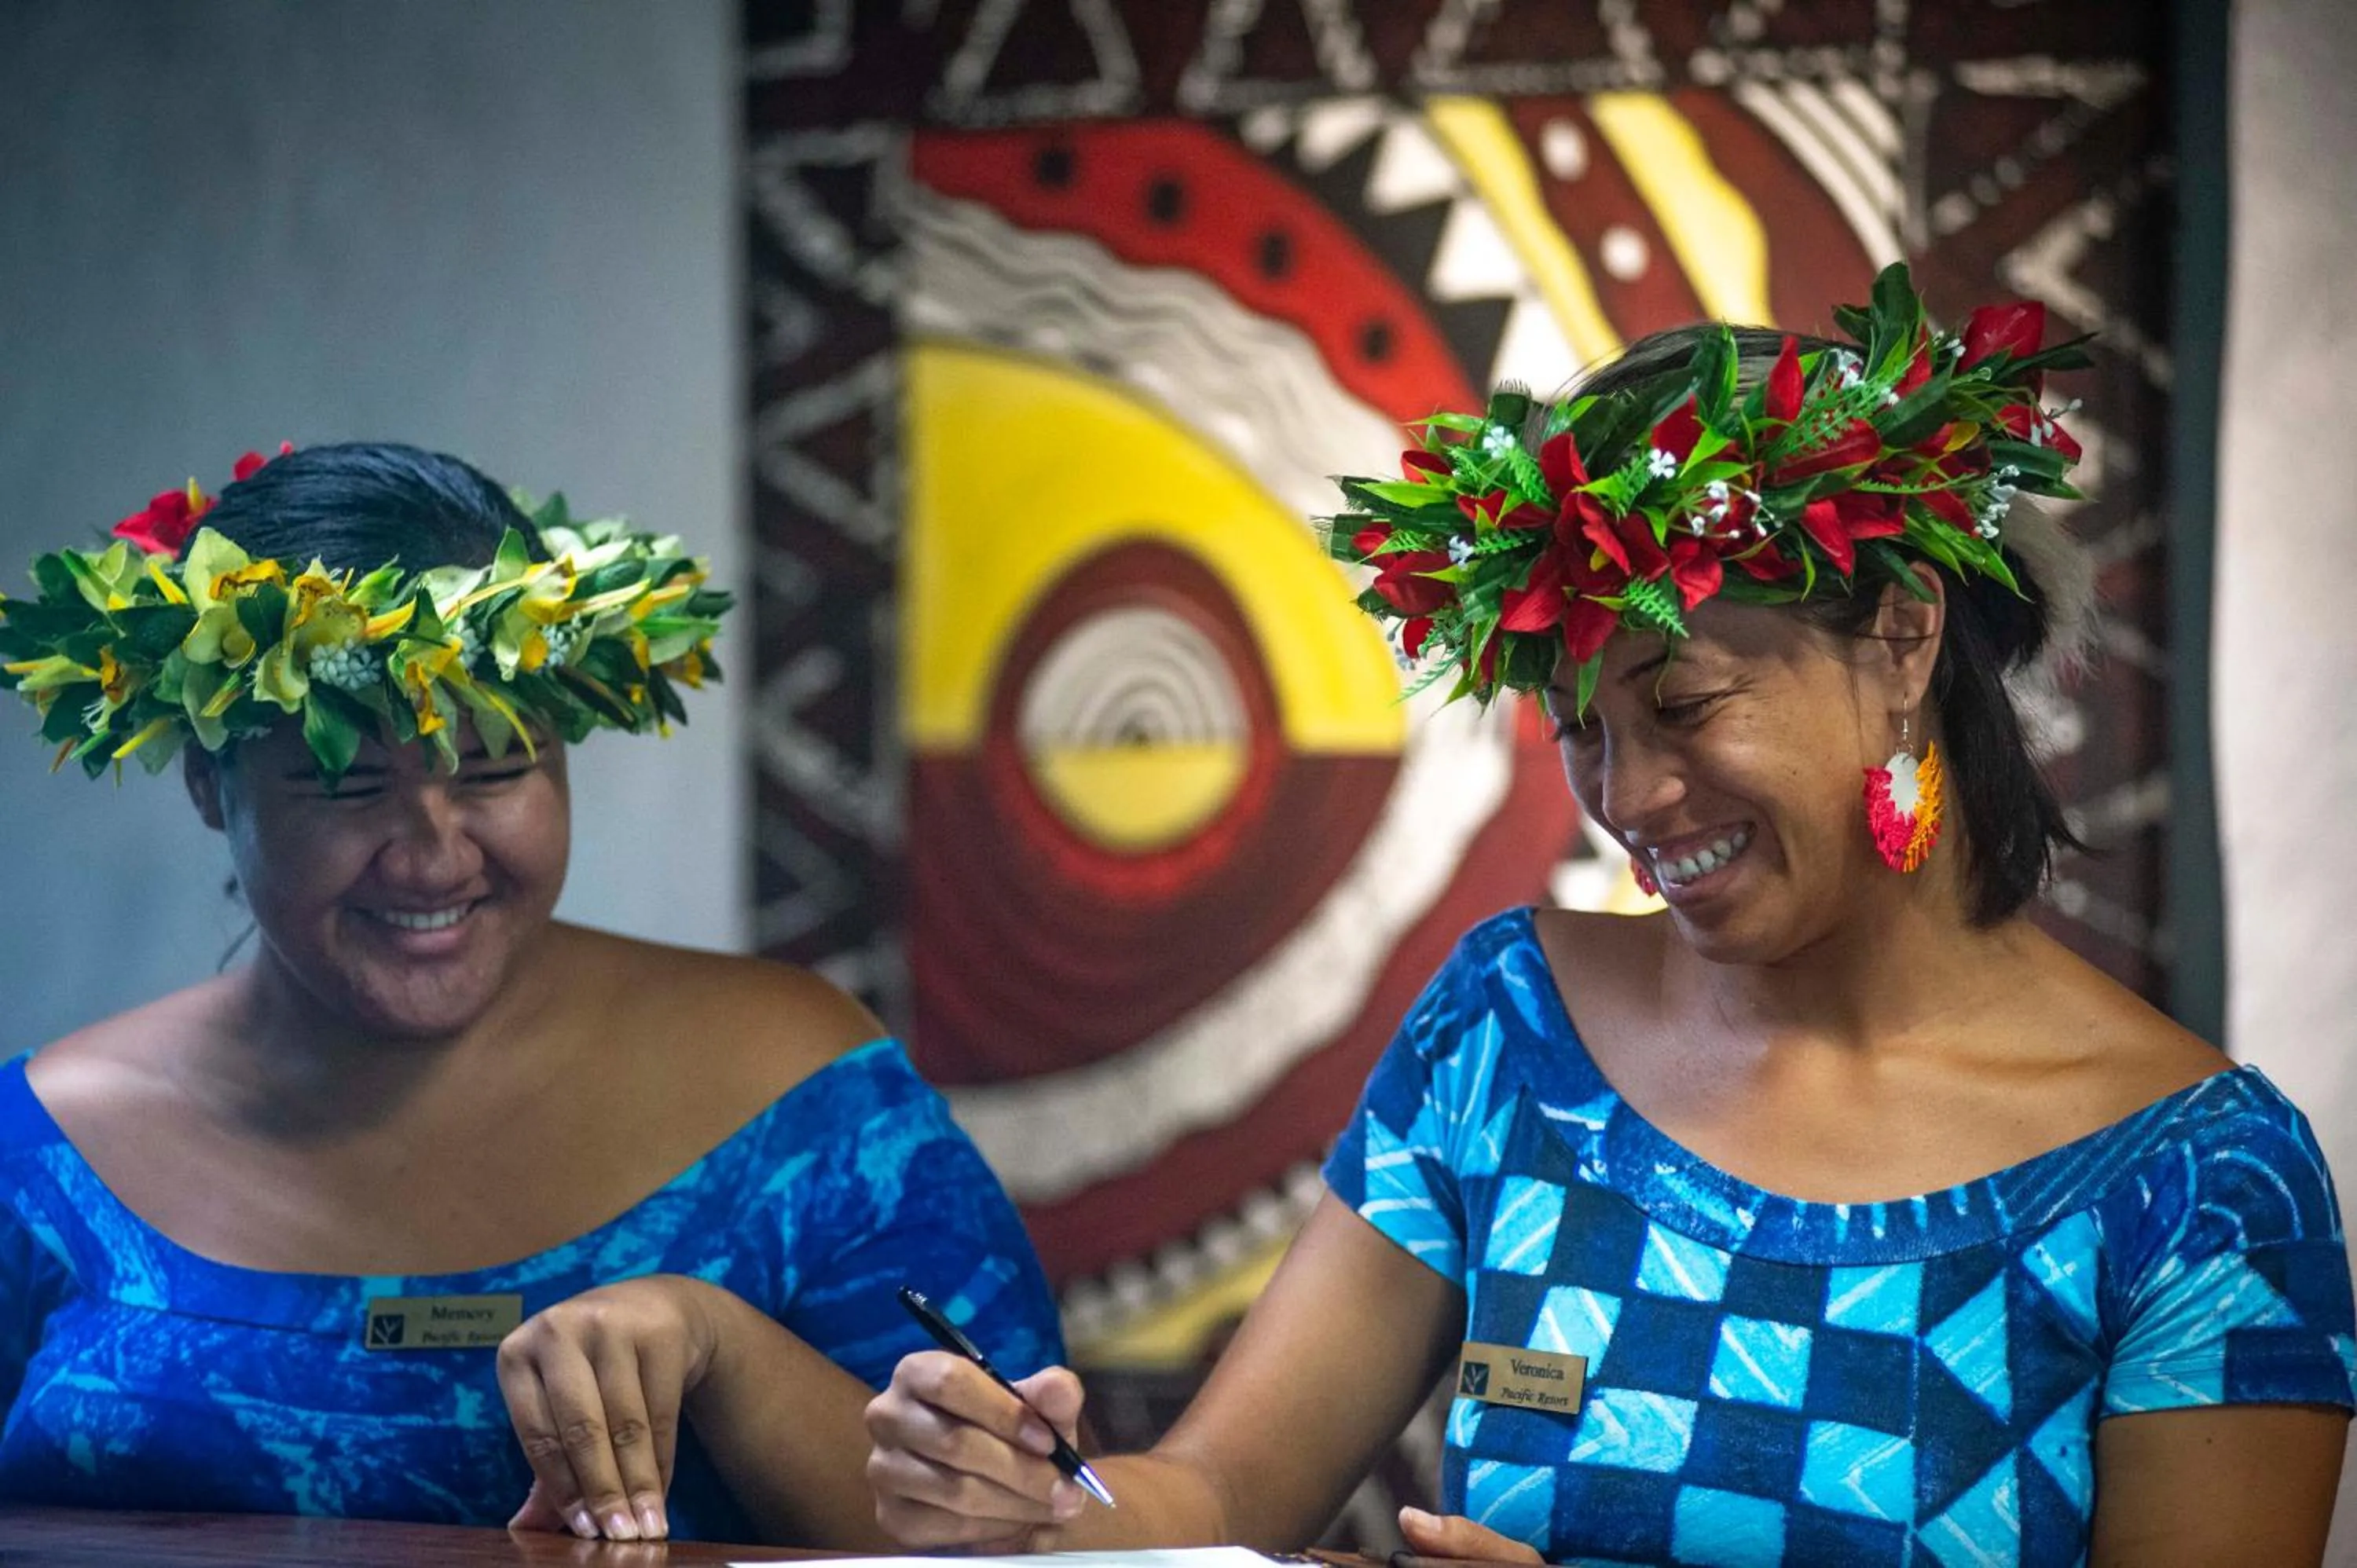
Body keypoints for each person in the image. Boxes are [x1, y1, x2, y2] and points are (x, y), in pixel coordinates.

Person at [863, 266, 2357, 1566]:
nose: (1628, 798)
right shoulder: (1512, 1029)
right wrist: (1031, 1502)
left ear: (1904, 638)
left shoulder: (2201, 1182)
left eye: (1684, 704)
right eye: (1578, 728)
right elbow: (1224, 1489)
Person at [0, 442, 1061, 1544]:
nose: (430, 857)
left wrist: (725, 1349)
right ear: (211, 787)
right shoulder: (42, 1155)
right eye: (349, 783)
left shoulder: (801, 1101)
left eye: (497, 770)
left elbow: (1028, 1525)